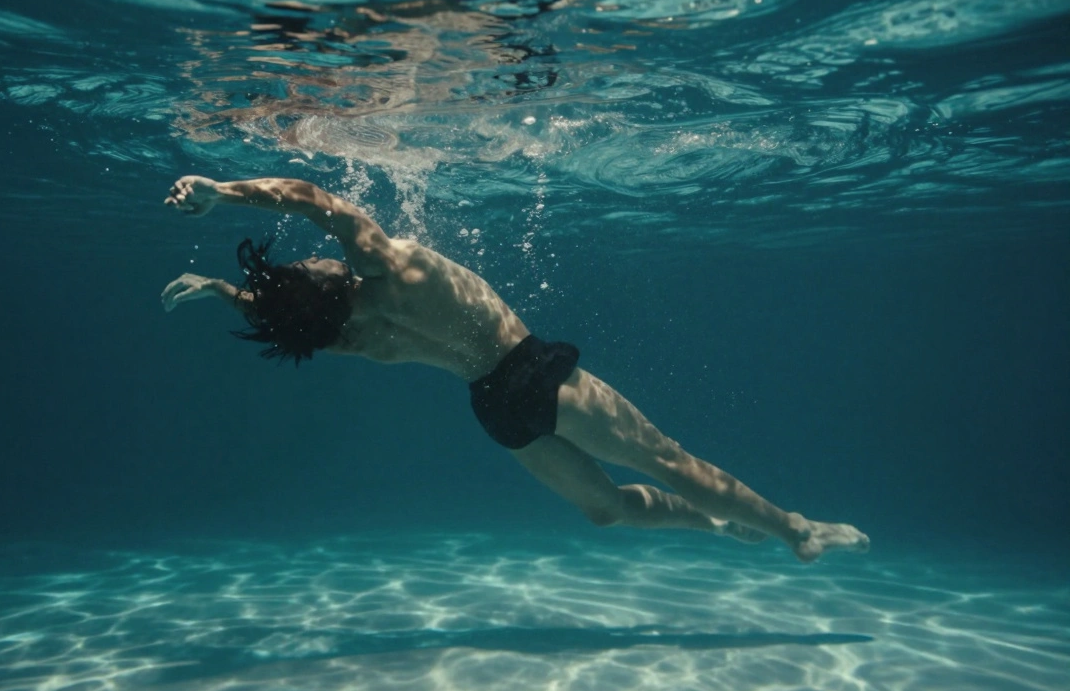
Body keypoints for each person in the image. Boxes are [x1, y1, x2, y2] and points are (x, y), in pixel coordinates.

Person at [161, 175, 869, 562]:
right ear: (328, 276)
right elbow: (314, 200)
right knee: (651, 476)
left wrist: (228, 293)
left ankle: (772, 527)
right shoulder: (388, 265)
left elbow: (300, 329)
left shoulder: (355, 333)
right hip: (529, 375)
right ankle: (781, 530)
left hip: (493, 407)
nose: (311, 257)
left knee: (619, 504)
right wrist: (221, 191)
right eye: (309, 265)